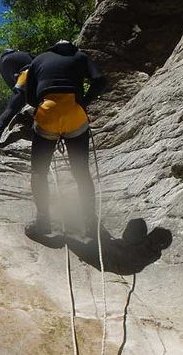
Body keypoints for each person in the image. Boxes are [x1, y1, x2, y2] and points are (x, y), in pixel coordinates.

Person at [24, 40, 107, 240]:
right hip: (74, 114)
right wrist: (83, 102)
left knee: (39, 171)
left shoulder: (38, 60)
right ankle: (90, 222)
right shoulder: (80, 56)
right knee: (81, 172)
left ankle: (43, 221)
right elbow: (101, 81)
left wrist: (43, 105)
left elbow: (28, 97)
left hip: (47, 112)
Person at [0, 49, 34, 145]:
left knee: (10, 108)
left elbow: (16, 87)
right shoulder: (21, 53)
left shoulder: (4, 62)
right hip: (43, 74)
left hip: (27, 76)